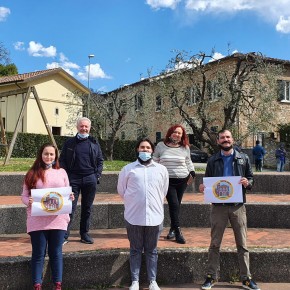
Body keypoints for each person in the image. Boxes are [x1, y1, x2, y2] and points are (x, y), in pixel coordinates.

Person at [199, 129, 260, 290]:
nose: (225, 140)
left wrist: (249, 182)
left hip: (238, 207)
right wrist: (203, 187)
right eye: (222, 138)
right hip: (218, 208)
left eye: (228, 137)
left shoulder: (243, 158)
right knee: (214, 244)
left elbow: (251, 178)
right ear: (218, 141)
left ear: (232, 139)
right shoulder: (212, 160)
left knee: (242, 244)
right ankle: (211, 277)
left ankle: (246, 278)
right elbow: (207, 181)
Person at [117, 138, 169, 290]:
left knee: (152, 250)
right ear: (137, 149)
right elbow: (122, 191)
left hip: (155, 216)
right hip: (134, 216)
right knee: (135, 249)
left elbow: (163, 191)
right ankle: (135, 281)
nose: (145, 150)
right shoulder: (128, 169)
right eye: (142, 147)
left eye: (148, 148)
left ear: (152, 150)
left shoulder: (161, 170)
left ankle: (152, 281)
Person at [21, 143, 74, 290]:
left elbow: (67, 192)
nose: (49, 157)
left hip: (58, 220)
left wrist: (70, 196)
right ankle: (37, 284)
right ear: (41, 155)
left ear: (55, 156)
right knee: (38, 253)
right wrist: (28, 201)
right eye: (46, 154)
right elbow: (24, 195)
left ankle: (58, 284)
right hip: (37, 220)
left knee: (56, 252)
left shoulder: (62, 172)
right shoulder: (32, 173)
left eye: (51, 154)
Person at [59, 117, 104, 244]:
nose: (84, 128)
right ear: (77, 127)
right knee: (69, 208)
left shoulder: (94, 143)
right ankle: (64, 235)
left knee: (87, 208)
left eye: (86, 127)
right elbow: (62, 160)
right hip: (73, 179)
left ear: (89, 128)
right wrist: (66, 176)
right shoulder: (69, 143)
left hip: (90, 179)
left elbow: (100, 160)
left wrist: (97, 176)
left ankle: (84, 234)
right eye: (81, 126)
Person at [153, 124, 195, 244]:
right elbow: (155, 160)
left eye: (179, 133)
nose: (177, 135)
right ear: (170, 133)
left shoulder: (185, 147)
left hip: (182, 179)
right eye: (175, 132)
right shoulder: (161, 146)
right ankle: (177, 231)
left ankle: (172, 228)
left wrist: (192, 172)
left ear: (182, 136)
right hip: (167, 181)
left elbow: (188, 161)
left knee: (177, 205)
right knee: (174, 204)